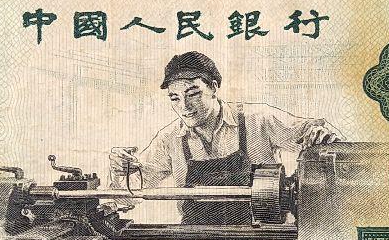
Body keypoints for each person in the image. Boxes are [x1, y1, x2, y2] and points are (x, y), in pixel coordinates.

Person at [109, 51, 343, 225]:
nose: (184, 107)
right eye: (175, 98)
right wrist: (122, 170)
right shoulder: (169, 139)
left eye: (193, 94)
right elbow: (130, 195)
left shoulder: (258, 120)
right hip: (195, 239)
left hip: (262, 237)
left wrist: (321, 138)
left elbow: (317, 135)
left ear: (213, 87)